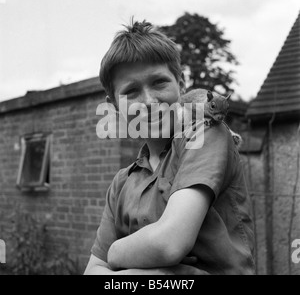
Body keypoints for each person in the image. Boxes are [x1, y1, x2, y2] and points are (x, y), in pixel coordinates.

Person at [84, 19, 255, 275]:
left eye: (159, 83)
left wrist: (115, 253)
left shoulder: (205, 135)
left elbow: (170, 244)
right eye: (131, 91)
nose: (150, 101)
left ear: (182, 85)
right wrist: (162, 273)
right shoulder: (121, 183)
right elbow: (92, 271)